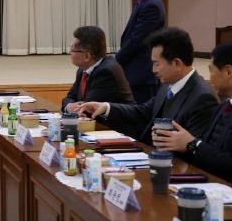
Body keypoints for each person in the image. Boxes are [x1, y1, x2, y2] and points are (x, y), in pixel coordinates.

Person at [80, 27, 218, 144]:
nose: (153, 70)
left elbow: (197, 150)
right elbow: (142, 112)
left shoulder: (202, 97)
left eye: (157, 64)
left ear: (177, 63)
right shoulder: (167, 87)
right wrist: (105, 107)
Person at [152, 42, 232, 182]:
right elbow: (207, 151)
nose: (210, 78)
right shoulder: (223, 106)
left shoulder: (206, 97)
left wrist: (192, 144)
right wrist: (175, 141)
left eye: (211, 70)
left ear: (228, 72)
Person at [116, 0, 166, 104]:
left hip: (142, 74)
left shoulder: (152, 5)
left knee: (140, 112)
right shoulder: (145, 1)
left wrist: (116, 61)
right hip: (136, 72)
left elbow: (137, 41)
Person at [61, 26, 134, 113]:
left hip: (116, 121)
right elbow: (69, 97)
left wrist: (75, 107)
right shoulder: (82, 70)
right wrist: (69, 106)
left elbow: (89, 107)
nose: (70, 53)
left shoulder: (106, 71)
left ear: (87, 56)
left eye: (72, 50)